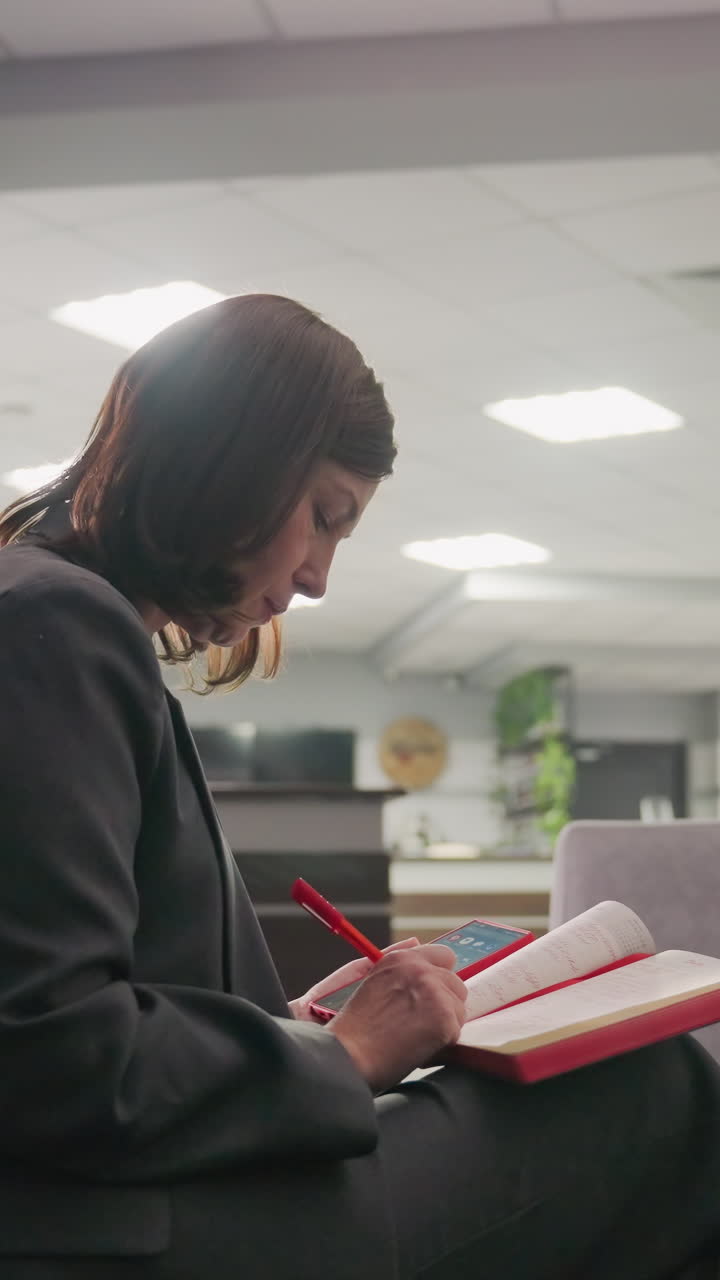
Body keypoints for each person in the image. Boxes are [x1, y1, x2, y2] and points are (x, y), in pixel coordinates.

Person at [0, 293, 718, 1280]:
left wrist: (289, 1028)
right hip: (136, 1231)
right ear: (234, 463)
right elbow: (50, 1054)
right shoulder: (54, 628)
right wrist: (344, 1058)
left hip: (130, 1196)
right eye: (324, 517)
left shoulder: (40, 610)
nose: (320, 578)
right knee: (655, 1090)